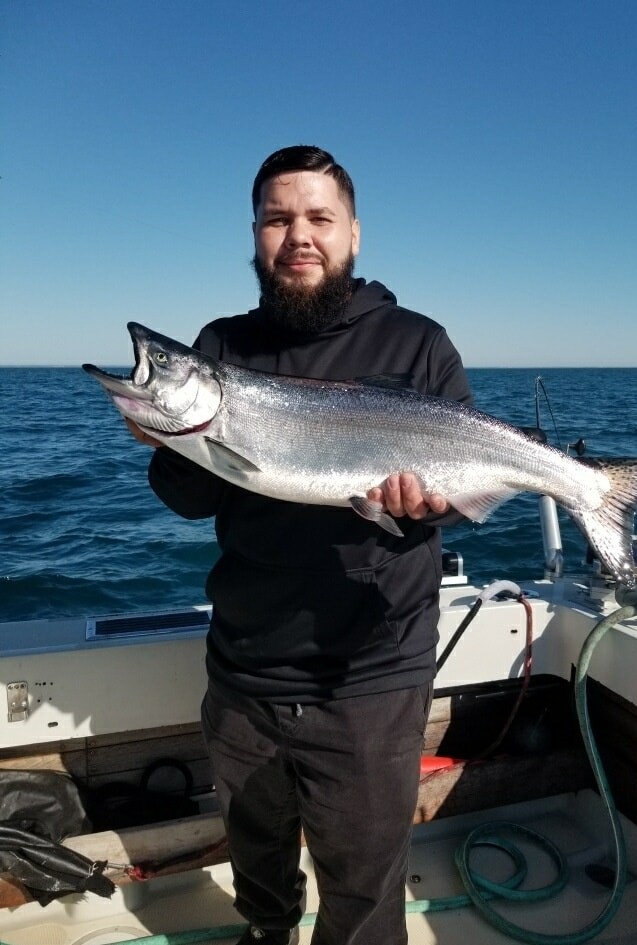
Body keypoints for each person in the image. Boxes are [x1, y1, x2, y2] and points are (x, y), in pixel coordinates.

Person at [128, 145, 472, 945]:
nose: (299, 236)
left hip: (370, 676)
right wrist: (168, 444)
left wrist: (425, 506)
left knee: (361, 899)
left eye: (319, 217)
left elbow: (449, 498)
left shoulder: (418, 344)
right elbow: (188, 501)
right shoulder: (222, 344)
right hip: (244, 667)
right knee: (260, 872)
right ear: (255, 235)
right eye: (278, 219)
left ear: (354, 232)